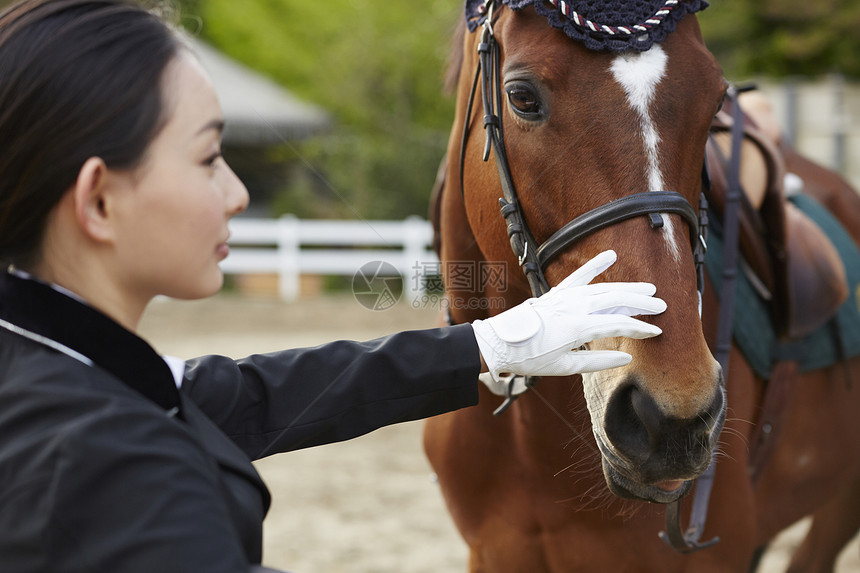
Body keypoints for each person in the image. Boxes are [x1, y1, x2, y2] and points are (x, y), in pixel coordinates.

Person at [0, 1, 668, 571]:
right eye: (208, 159)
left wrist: (492, 343)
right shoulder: (114, 466)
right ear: (98, 201)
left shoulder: (48, 361)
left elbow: (253, 394)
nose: (235, 194)